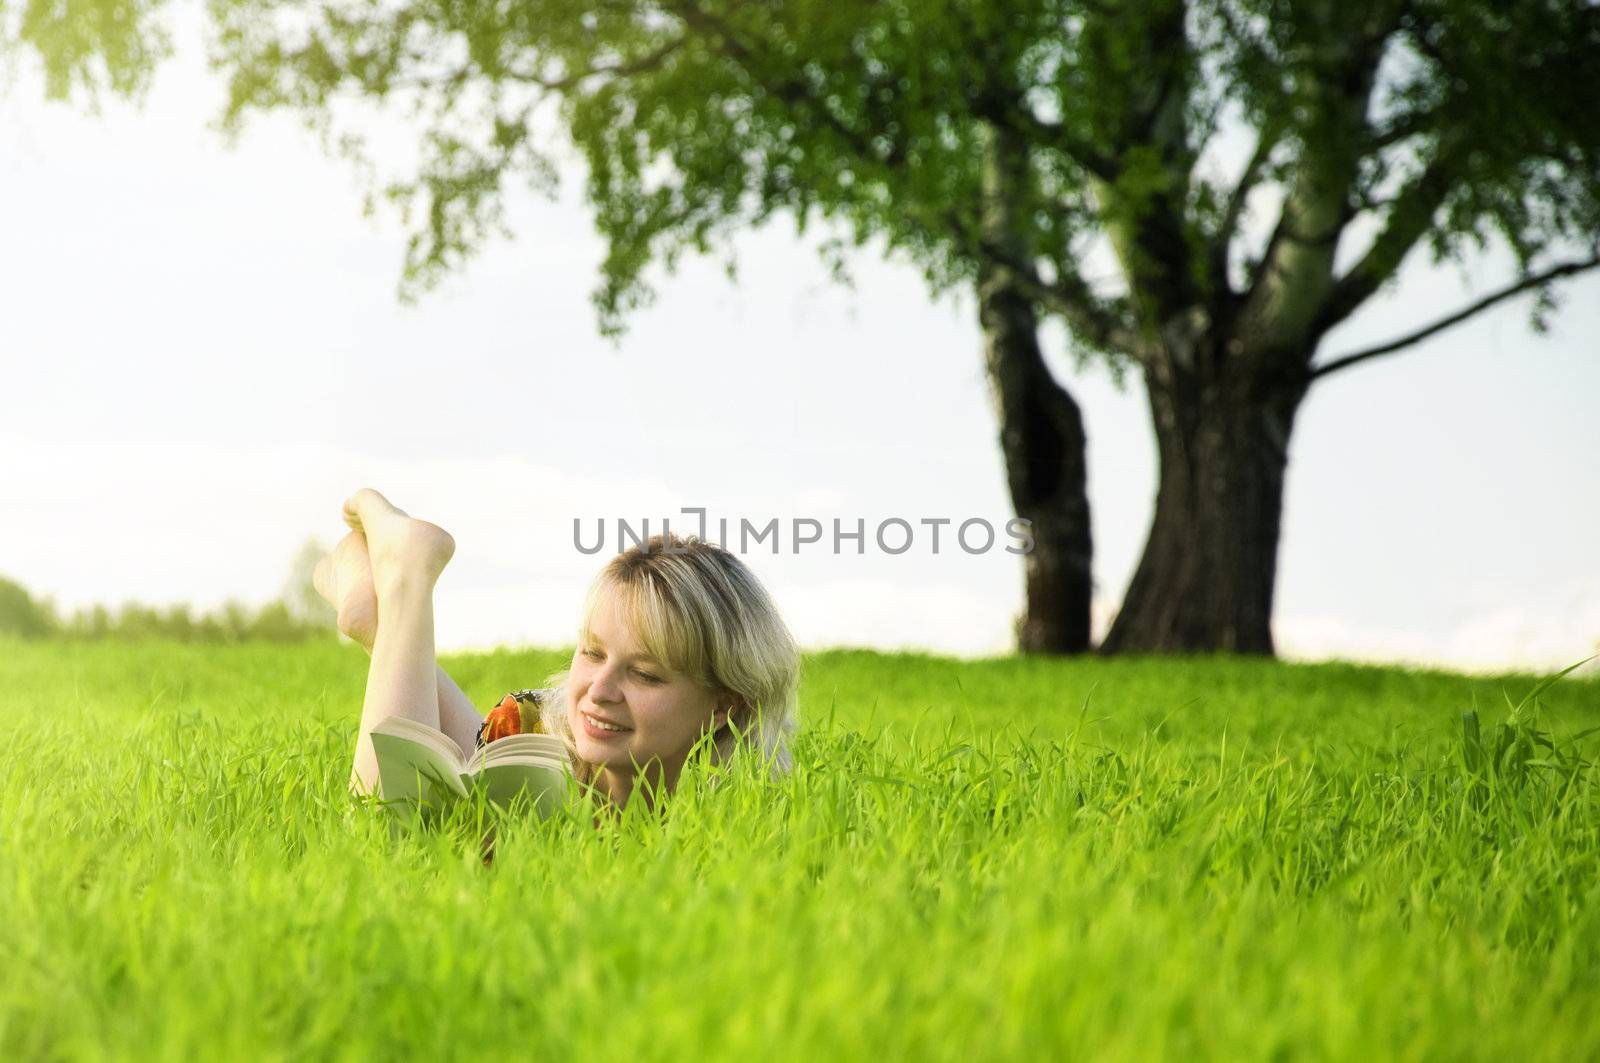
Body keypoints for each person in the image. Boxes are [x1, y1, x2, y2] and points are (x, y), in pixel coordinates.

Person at [313, 488, 800, 810]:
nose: (599, 690)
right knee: (395, 827)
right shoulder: (529, 745)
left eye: (645, 674)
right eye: (592, 653)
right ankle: (407, 579)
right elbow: (386, 838)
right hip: (532, 741)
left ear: (723, 708)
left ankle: (381, 628)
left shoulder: (743, 813)